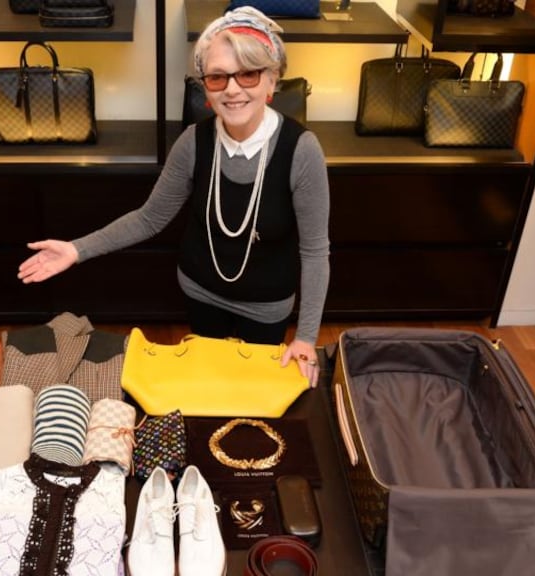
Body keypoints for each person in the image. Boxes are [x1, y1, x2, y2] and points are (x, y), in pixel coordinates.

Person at [17, 7, 330, 383]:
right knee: (206, 383)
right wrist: (76, 249)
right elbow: (149, 218)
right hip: (200, 292)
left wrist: (307, 337)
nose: (232, 88)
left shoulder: (302, 150)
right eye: (217, 78)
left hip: (267, 307)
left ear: (272, 81)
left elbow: (314, 251)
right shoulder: (193, 143)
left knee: (253, 392)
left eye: (247, 73)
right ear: (206, 89)